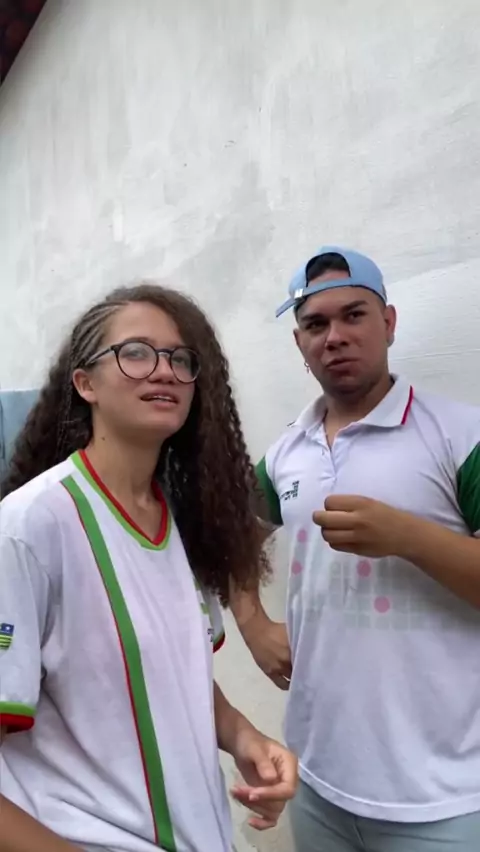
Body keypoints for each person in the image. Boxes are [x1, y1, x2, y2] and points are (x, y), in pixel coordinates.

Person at [0, 282, 298, 852]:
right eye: (135, 353)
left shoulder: (182, 521)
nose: (164, 370)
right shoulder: (29, 526)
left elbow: (176, 677)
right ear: (85, 383)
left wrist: (244, 737)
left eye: (181, 359)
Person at [230, 246, 480, 851]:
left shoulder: (460, 434)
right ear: (300, 343)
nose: (335, 336)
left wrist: (409, 537)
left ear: (388, 322)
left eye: (354, 315)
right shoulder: (287, 451)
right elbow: (232, 542)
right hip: (316, 777)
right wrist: (253, 623)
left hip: (442, 795)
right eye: (316, 324)